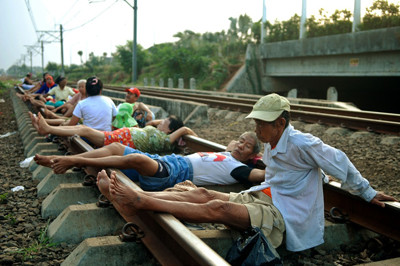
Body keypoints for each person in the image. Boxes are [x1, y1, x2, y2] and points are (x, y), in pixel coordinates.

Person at [95, 93, 397, 253]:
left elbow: (339, 161)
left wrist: (367, 192)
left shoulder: (303, 143)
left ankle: (140, 200)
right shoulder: (271, 141)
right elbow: (268, 177)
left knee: (218, 207)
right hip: (267, 197)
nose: (257, 128)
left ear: (280, 123)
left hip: (285, 215)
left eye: (262, 124)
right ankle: (141, 195)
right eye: (256, 123)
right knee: (198, 191)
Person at [34, 132, 264, 191]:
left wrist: (269, 159)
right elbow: (231, 147)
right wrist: (232, 146)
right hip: (166, 161)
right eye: (240, 140)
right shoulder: (227, 153)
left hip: (174, 174)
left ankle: (67, 160)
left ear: (252, 155)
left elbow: (258, 176)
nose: (240, 145)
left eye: (246, 146)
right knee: (115, 148)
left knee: (134, 157)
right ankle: (68, 160)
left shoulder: (239, 168)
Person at [30, 111, 196, 153]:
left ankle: (49, 129)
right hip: (121, 137)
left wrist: (186, 132)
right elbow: (153, 121)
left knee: (84, 129)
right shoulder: (157, 131)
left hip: (121, 140)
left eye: (166, 122)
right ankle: (48, 128)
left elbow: (184, 129)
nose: (162, 122)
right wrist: (164, 123)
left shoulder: (163, 140)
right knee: (83, 129)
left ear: (171, 129)